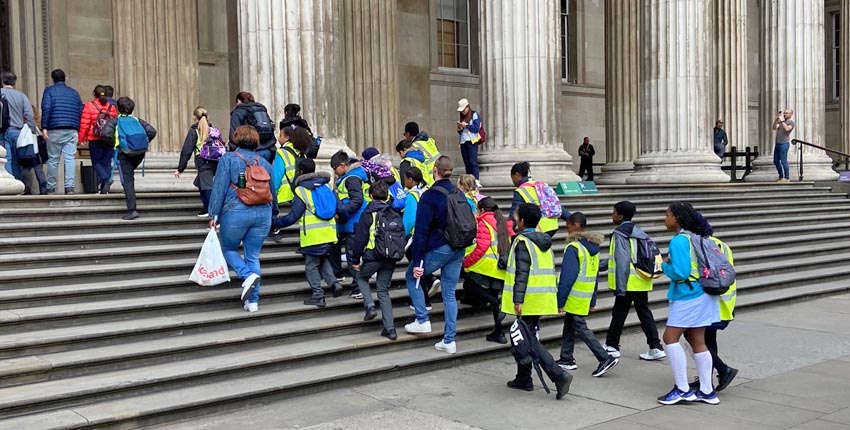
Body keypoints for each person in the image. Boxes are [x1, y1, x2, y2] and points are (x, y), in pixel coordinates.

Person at [502, 203, 572, 399]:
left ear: (522, 221)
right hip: (541, 297)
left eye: (516, 218)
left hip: (527, 299)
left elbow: (522, 273)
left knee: (526, 340)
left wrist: (517, 299)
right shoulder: (543, 241)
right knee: (525, 337)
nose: (514, 221)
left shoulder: (523, 242)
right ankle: (524, 378)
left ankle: (558, 375)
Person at [657, 201, 721, 406]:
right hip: (704, 292)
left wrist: (663, 266)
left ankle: (683, 389)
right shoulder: (698, 236)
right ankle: (707, 391)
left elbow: (681, 272)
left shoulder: (679, 241)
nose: (664, 219)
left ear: (677, 218)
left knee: (670, 338)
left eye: (667, 215)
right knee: (697, 339)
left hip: (687, 294)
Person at [404, 156, 466, 356]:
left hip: (439, 247)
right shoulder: (458, 192)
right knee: (449, 293)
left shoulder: (429, 196)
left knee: (411, 275)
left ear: (435, 171)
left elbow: (421, 231)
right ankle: (449, 340)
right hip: (458, 247)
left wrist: (418, 260)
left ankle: (422, 319)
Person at [208, 125, 275, 312]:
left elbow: (219, 188)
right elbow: (273, 192)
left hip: (236, 210)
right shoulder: (265, 162)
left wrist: (213, 214)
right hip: (263, 213)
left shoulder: (228, 159)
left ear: (236, 139)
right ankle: (252, 302)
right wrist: (274, 213)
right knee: (253, 255)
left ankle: (246, 276)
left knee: (227, 248)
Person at [273, 158, 344, 308]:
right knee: (323, 259)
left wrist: (275, 222)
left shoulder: (301, 190)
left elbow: (293, 216)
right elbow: (340, 208)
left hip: (313, 236)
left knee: (311, 266)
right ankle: (334, 283)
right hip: (330, 233)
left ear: (300, 172)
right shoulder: (326, 186)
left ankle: (318, 296)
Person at [556, 212, 619, 377]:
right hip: (584, 294)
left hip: (574, 295)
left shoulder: (573, 247)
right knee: (570, 325)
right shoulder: (592, 248)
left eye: (568, 224)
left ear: (575, 225)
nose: (565, 227)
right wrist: (592, 299)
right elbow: (594, 275)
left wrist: (560, 300)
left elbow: (567, 277)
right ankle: (566, 358)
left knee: (579, 327)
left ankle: (604, 358)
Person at [603, 201, 666, 361]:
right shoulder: (638, 232)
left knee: (619, 313)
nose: (612, 215)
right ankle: (655, 346)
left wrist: (620, 286)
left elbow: (622, 260)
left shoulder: (620, 233)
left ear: (620, 215)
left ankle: (612, 345)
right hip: (641, 278)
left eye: (614, 212)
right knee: (644, 312)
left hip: (627, 280)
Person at [687, 216, 738, 393]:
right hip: (724, 301)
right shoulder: (720, 244)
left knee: (693, 337)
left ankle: (723, 370)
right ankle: (705, 378)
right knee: (708, 339)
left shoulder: (700, 245)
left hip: (711, 301)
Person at [351, 181, 398, 340]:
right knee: (383, 291)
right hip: (390, 257)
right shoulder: (394, 212)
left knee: (361, 278)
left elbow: (360, 239)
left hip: (373, 255)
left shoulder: (368, 213)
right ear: (386, 196)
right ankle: (390, 329)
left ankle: (370, 306)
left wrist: (355, 260)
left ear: (370, 196)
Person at [462, 197, 511, 344]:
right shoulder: (502, 221)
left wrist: (467, 262)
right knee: (493, 296)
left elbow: (481, 247)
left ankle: (497, 303)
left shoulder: (484, 222)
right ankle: (499, 332)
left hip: (488, 266)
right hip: (502, 267)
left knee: (470, 285)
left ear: (482, 210)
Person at [99, 97, 157, 220]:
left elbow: (105, 134)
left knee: (128, 181)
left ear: (117, 109)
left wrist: (116, 143)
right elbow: (152, 131)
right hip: (139, 154)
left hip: (125, 153)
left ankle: (132, 210)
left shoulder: (115, 121)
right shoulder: (137, 120)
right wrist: (142, 143)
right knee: (129, 176)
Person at [331, 150, 369, 299]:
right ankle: (351, 282)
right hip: (350, 223)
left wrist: (341, 212)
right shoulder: (350, 177)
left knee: (353, 256)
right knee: (348, 253)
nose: (334, 173)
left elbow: (357, 200)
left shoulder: (351, 179)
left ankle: (358, 288)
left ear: (342, 165)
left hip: (353, 222)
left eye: (335, 169)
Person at [41, 69, 83, 195]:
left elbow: (46, 108)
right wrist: (78, 127)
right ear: (65, 78)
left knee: (53, 159)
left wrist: (44, 127)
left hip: (55, 128)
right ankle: (69, 187)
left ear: (53, 79)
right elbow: (80, 110)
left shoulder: (49, 91)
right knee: (69, 158)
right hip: (72, 129)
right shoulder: (74, 93)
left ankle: (51, 188)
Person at [174, 107, 220, 217]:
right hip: (215, 160)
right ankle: (206, 208)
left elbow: (187, 150)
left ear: (194, 117)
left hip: (203, 161)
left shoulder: (194, 131)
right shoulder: (213, 129)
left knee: (208, 186)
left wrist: (180, 168)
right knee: (201, 183)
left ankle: (214, 213)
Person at [402, 167, 435, 311]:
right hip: (430, 235)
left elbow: (409, 220)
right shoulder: (425, 192)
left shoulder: (411, 196)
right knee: (421, 268)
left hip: (415, 238)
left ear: (410, 179)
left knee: (415, 271)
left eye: (405, 179)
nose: (404, 182)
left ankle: (423, 302)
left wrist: (402, 235)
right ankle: (431, 281)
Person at [80, 85, 118, 194]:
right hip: (109, 138)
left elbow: (85, 123)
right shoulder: (112, 107)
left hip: (95, 137)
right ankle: (104, 188)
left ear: (94, 94)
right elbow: (115, 123)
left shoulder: (89, 105)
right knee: (106, 162)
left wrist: (82, 137)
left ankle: (105, 179)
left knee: (96, 162)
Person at [0, 71, 38, 181]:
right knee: (16, 160)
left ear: (2, 81)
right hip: (18, 131)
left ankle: (7, 182)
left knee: (5, 158)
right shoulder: (21, 96)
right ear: (14, 82)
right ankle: (17, 183)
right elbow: (29, 115)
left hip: (2, 131)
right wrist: (32, 130)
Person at [509, 162, 560, 237]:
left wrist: (507, 229)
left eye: (512, 177)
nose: (513, 181)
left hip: (538, 227)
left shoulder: (520, 191)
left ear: (517, 175)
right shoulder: (541, 185)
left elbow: (514, 215)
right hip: (553, 225)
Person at [229, 92, 276, 162]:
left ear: (238, 101)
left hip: (249, 153)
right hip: (267, 150)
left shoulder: (238, 112)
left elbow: (233, 134)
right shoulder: (261, 110)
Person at [272, 125, 312, 205]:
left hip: (283, 197)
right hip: (299, 196)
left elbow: (276, 177)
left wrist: (272, 195)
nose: (278, 138)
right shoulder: (301, 153)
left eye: (280, 135)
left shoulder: (281, 153)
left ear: (287, 137)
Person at [19, 106, 47, 195]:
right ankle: (43, 189)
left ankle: (26, 188)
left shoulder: (23, 126)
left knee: (25, 170)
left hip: (27, 150)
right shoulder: (37, 125)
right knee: (39, 170)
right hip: (37, 151)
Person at [456, 98, 482, 179]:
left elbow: (476, 128)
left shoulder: (474, 115)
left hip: (472, 141)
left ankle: (476, 180)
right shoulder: (462, 117)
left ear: (468, 107)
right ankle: (469, 180)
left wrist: (466, 125)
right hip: (463, 142)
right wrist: (460, 128)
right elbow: (461, 132)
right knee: (467, 163)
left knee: (472, 162)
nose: (462, 112)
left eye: (463, 110)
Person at [773, 109, 795, 182]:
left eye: (787, 113)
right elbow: (774, 127)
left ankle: (787, 177)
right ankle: (781, 176)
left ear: (791, 114)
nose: (785, 114)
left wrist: (782, 121)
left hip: (784, 143)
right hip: (777, 143)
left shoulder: (791, 122)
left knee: (783, 161)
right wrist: (776, 120)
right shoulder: (781, 122)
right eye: (784, 113)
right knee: (776, 161)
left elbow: (787, 129)